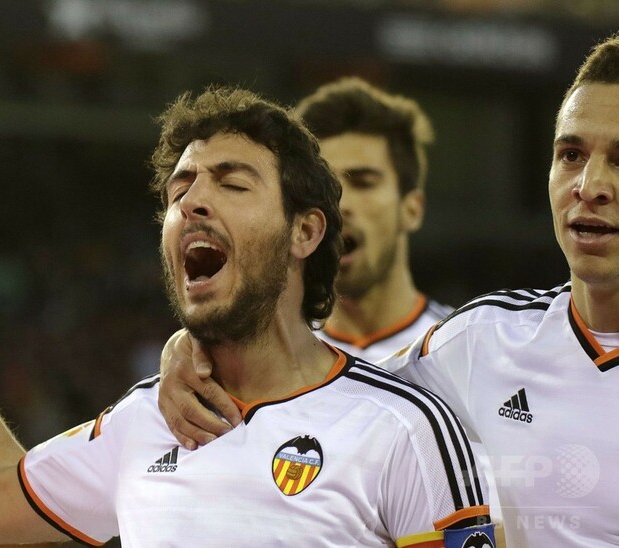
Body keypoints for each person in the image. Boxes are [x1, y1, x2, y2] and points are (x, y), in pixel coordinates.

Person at [0, 86, 494, 546]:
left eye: (232, 184)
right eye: (179, 191)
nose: (193, 201)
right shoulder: (145, 420)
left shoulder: (403, 428)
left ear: (304, 231)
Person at [157, 34, 619, 546]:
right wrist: (193, 349)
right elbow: (343, 397)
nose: (590, 185)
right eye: (571, 154)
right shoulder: (484, 340)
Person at [158, 76, 454, 447]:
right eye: (328, 185)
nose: (341, 203)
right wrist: (191, 345)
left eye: (363, 182)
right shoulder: (244, 356)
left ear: (411, 208)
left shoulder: (462, 351)